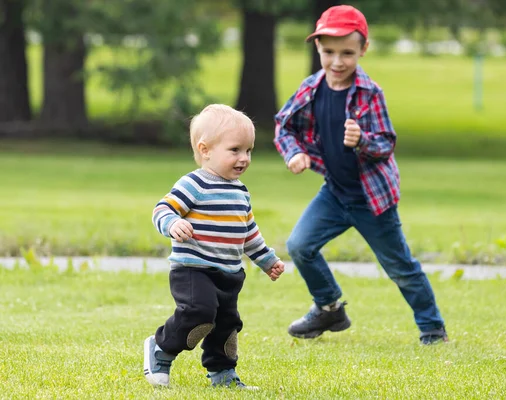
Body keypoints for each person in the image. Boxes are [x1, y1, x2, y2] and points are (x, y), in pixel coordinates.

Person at [274, 5, 447, 345]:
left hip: (372, 200)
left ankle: (432, 328)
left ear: (363, 50)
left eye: (347, 53)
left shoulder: (370, 93)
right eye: (329, 52)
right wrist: (294, 152)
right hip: (335, 194)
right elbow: (284, 125)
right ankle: (329, 308)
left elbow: (386, 144)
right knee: (299, 246)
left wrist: (362, 140)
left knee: (400, 267)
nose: (337, 62)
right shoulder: (311, 88)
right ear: (318, 49)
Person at [144, 104, 285, 389]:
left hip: (230, 273)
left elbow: (248, 234)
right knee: (199, 314)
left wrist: (267, 260)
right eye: (235, 150)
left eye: (249, 151)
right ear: (205, 150)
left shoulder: (240, 191)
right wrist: (172, 224)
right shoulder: (194, 184)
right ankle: (161, 348)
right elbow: (162, 209)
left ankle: (223, 374)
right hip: (194, 269)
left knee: (227, 324)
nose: (244, 158)